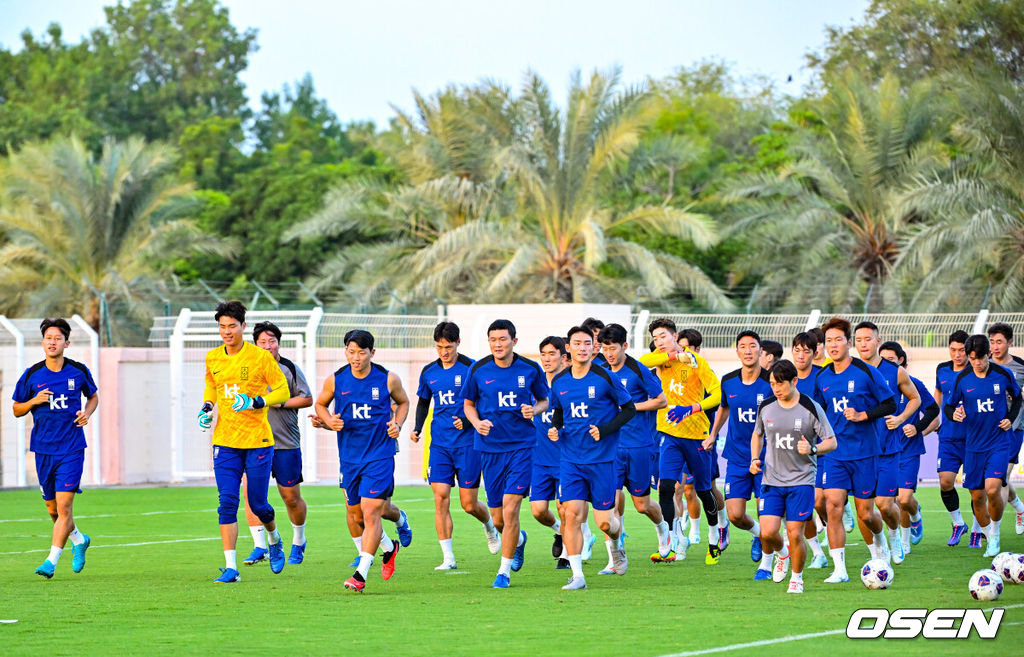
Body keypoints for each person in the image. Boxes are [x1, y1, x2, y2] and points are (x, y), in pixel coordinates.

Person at [198, 301, 290, 583]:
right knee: (226, 502)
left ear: (242, 327)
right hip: (224, 441)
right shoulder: (213, 357)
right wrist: (207, 406)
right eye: (222, 326)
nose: (227, 331)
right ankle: (231, 567)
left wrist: (257, 401)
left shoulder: (260, 357)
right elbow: (212, 385)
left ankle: (274, 539)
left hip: (257, 441)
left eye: (232, 326)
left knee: (258, 504)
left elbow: (283, 390)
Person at [314, 329, 412, 593]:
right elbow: (320, 405)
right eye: (350, 351)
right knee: (356, 515)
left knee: (370, 511)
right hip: (349, 458)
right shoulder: (336, 380)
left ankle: (361, 574)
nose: (355, 357)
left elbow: (403, 403)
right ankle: (390, 546)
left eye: (361, 352)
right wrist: (327, 420)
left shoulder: (388, 379)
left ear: (372, 353)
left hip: (380, 454)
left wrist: (398, 424)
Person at [548, 326, 635, 590]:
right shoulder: (560, 381)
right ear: (569, 348)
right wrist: (555, 428)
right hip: (571, 459)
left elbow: (629, 409)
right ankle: (577, 576)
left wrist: (605, 430)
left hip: (602, 460)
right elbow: (559, 412)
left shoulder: (604, 378)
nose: (583, 348)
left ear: (593, 347)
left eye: (588, 343)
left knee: (606, 522)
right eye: (577, 343)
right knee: (571, 515)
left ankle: (616, 545)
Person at [463, 319, 548, 589]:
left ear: (514, 340)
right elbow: (468, 404)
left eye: (503, 339)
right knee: (498, 518)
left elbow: (545, 400)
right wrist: (477, 423)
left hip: (522, 448)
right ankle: (519, 540)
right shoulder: (478, 369)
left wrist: (533, 410)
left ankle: (503, 571)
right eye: (493, 339)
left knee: (511, 511)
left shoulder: (530, 369)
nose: (498, 344)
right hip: (489, 450)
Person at [13, 318, 99, 579]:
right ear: (43, 342)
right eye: (48, 338)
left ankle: (51, 561)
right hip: (43, 449)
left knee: (64, 507)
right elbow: (16, 409)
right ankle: (79, 539)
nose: (52, 342)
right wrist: (33, 401)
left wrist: (86, 413)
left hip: (72, 447)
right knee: (53, 510)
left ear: (66, 343)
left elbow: (93, 396)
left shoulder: (78, 371)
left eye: (57, 338)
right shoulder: (31, 374)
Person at [813, 316, 896, 583]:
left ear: (848, 343)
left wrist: (864, 415)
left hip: (864, 453)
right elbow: (818, 412)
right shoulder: (822, 376)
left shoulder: (866, 371)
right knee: (833, 506)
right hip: (835, 454)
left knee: (865, 513)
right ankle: (840, 570)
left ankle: (879, 542)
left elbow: (890, 405)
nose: (833, 345)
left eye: (838, 340)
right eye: (828, 341)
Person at [411, 322, 500, 570]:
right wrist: (417, 428)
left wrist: (466, 420)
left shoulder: (472, 369)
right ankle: (448, 558)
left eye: (448, 347)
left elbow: (484, 401)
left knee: (468, 504)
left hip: (468, 445)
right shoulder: (429, 371)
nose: (444, 352)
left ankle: (489, 525)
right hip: (439, 444)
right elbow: (423, 403)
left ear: (458, 343)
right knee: (440, 499)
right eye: (439, 347)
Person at [641, 319, 724, 565]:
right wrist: (673, 357)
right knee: (666, 488)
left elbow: (718, 394)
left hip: (696, 435)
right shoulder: (660, 359)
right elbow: (641, 363)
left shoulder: (697, 362)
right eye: (655, 338)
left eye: (663, 336)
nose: (659, 342)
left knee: (703, 490)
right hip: (670, 434)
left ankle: (713, 536)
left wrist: (693, 408)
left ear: (674, 336)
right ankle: (672, 541)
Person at [750, 359, 837, 594]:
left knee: (795, 532)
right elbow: (757, 434)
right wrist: (754, 459)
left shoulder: (810, 407)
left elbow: (831, 441)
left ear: (794, 381)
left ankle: (797, 578)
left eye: (780, 384)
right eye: (772, 384)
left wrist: (813, 449)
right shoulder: (766, 406)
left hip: (802, 480)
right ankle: (782, 554)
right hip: (771, 479)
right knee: (767, 532)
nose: (776, 389)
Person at [595, 323, 671, 567]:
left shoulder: (639, 371)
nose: (609, 353)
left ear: (624, 346)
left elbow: (661, 401)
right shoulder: (601, 373)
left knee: (642, 505)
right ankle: (614, 557)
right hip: (611, 447)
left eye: (613, 348)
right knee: (610, 503)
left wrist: (630, 408)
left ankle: (663, 530)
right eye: (605, 349)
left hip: (639, 445)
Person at [240, 322, 314, 567]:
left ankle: (299, 541)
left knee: (290, 497)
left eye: (272, 341)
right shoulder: (247, 367)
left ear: (278, 343)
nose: (268, 346)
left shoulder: (289, 368)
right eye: (262, 342)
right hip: (253, 441)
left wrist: (277, 402)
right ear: (255, 344)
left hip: (285, 442)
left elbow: (307, 399)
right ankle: (261, 546)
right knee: (252, 495)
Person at [945, 334, 1022, 558]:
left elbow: (1017, 398)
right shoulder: (962, 379)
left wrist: (1010, 417)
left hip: (999, 441)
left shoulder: (1003, 374)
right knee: (976, 496)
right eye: (972, 359)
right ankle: (988, 533)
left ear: (989, 354)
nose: (977, 363)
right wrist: (956, 413)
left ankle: (995, 534)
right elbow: (949, 408)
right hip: (973, 445)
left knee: (992, 488)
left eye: (980, 358)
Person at [852, 322, 921, 565]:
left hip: (888, 449)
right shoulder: (848, 371)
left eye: (868, 339)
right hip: (859, 452)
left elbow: (916, 398)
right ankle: (878, 550)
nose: (863, 344)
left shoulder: (895, 371)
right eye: (859, 339)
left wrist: (901, 418)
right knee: (864, 510)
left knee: (884, 503)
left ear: (877, 341)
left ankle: (894, 536)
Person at [706, 330, 771, 576]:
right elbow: (723, 408)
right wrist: (713, 435)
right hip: (736, 457)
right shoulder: (729, 381)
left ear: (760, 351)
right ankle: (757, 535)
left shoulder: (770, 381)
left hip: (765, 459)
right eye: (742, 346)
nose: (747, 351)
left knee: (767, 515)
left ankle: (765, 566)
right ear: (737, 351)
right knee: (734, 515)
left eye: (752, 346)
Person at [878, 341, 939, 558]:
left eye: (890, 360)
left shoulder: (914, 384)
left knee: (903, 500)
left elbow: (933, 409)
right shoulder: (875, 385)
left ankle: (911, 525)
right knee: (888, 501)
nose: (884, 364)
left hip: (909, 450)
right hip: (883, 451)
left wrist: (918, 428)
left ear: (901, 361)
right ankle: (898, 541)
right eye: (882, 359)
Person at [792, 331, 835, 569]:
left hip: (821, 447)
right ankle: (818, 553)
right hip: (793, 450)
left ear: (814, 353)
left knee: (819, 500)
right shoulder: (786, 375)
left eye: (806, 351)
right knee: (804, 505)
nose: (801, 355)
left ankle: (832, 529)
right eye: (797, 350)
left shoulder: (823, 376)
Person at [531, 336, 573, 570]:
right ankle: (559, 531)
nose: (547, 359)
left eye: (552, 354)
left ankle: (567, 554)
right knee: (538, 511)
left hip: (565, 459)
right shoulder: (535, 387)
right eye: (543, 354)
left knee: (564, 506)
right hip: (539, 460)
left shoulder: (568, 385)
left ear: (563, 357)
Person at [933, 330, 972, 546]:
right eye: (953, 350)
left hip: (974, 437)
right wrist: (929, 424)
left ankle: (978, 529)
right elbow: (938, 399)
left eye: (962, 350)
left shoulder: (976, 370)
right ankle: (958, 524)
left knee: (976, 487)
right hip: (948, 436)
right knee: (945, 482)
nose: (957, 354)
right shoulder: (942, 369)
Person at [987, 323, 1024, 535]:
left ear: (1010, 343)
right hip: (988, 432)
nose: (995, 346)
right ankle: (1020, 507)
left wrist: (1017, 393)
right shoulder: (985, 366)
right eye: (992, 342)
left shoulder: (1020, 367)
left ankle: (994, 532)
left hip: (1014, 428)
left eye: (999, 342)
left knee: (1000, 477)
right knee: (997, 479)